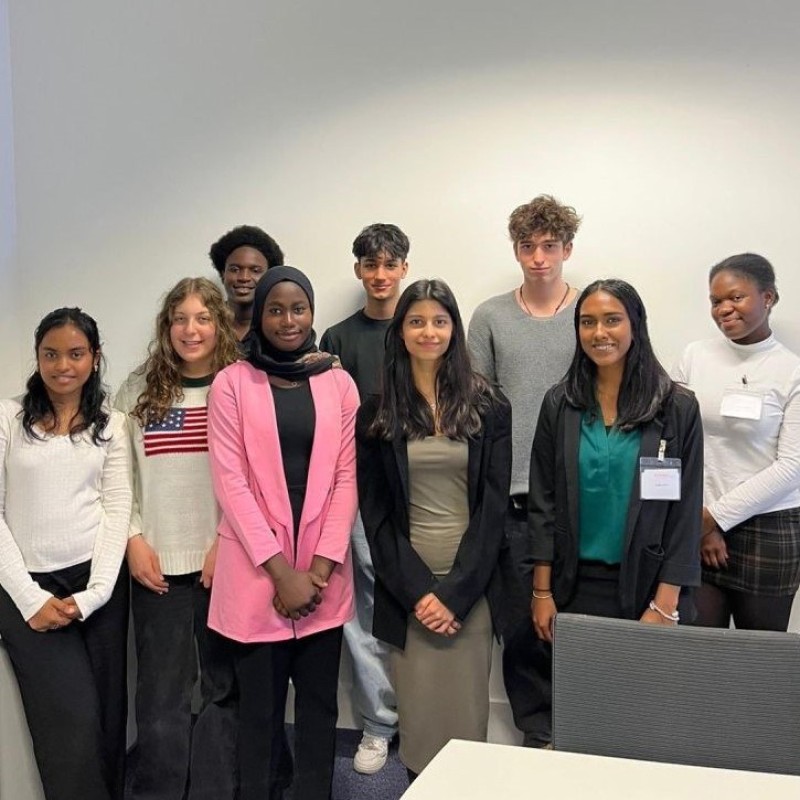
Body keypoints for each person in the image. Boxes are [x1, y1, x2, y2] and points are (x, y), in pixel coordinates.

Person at [207, 266, 358, 800]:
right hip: (257, 576)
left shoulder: (338, 382)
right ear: (260, 314)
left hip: (322, 577)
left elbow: (345, 479)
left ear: (312, 313)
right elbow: (230, 482)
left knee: (320, 712)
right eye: (276, 309)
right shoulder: (231, 383)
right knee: (260, 717)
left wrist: (317, 570)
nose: (288, 320)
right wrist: (281, 573)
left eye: (298, 309)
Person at [357, 279, 512, 780]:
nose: (429, 331)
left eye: (439, 321)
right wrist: (421, 593)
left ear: (454, 330)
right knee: (420, 727)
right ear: (400, 332)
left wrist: (454, 595)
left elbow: (493, 509)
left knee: (466, 723)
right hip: (408, 594)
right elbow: (375, 515)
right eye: (417, 321)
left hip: (471, 590)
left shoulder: (489, 406)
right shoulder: (377, 413)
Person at [529, 280, 703, 725]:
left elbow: (684, 514)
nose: (599, 333)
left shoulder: (676, 407)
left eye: (612, 320)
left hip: (647, 585)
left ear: (635, 325)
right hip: (574, 585)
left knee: (645, 712)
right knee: (581, 710)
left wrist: (665, 605)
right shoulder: (560, 404)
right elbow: (544, 504)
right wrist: (542, 591)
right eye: (587, 322)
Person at [115, 278, 240, 799]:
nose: (191, 330)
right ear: (167, 327)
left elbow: (252, 479)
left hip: (224, 561)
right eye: (180, 319)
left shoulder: (237, 386)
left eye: (203, 318)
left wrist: (225, 541)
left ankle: (215, 791)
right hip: (155, 565)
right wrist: (133, 538)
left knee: (224, 688)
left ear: (220, 325)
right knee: (161, 694)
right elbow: (117, 477)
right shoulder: (138, 388)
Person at [0, 308, 131, 800]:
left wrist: (95, 594)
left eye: (75, 354)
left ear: (94, 359)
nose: (62, 366)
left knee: (106, 717)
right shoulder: (8, 419)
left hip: (96, 584)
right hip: (24, 588)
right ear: (37, 358)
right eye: (50, 354)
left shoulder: (112, 424)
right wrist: (30, 599)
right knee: (69, 723)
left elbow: (118, 509)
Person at [467, 193, 581, 747]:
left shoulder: (591, 312)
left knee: (581, 622)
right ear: (516, 251)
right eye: (527, 247)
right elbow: (476, 407)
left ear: (568, 249)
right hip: (513, 494)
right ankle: (537, 735)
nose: (539, 258)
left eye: (550, 246)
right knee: (521, 627)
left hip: (582, 494)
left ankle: (587, 729)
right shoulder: (490, 316)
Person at [319, 222, 408, 774]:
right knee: (359, 609)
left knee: (416, 601)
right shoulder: (336, 338)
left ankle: (424, 711)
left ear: (404, 268)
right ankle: (378, 724)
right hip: (354, 485)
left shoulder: (424, 326)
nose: (379, 275)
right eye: (369, 265)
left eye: (389, 264)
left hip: (417, 486)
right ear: (358, 270)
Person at [673, 254, 800, 631]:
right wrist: (702, 523)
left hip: (769, 529)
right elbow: (675, 439)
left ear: (768, 297)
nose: (724, 309)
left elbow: (791, 467)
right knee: (696, 654)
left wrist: (714, 518)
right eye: (715, 301)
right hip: (698, 520)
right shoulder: (695, 356)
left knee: (758, 662)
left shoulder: (791, 371)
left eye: (736, 297)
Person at [209, 224, 285, 340]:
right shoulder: (206, 323)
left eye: (255, 270)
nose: (244, 277)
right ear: (223, 273)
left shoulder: (282, 324)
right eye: (235, 269)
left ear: (269, 275)